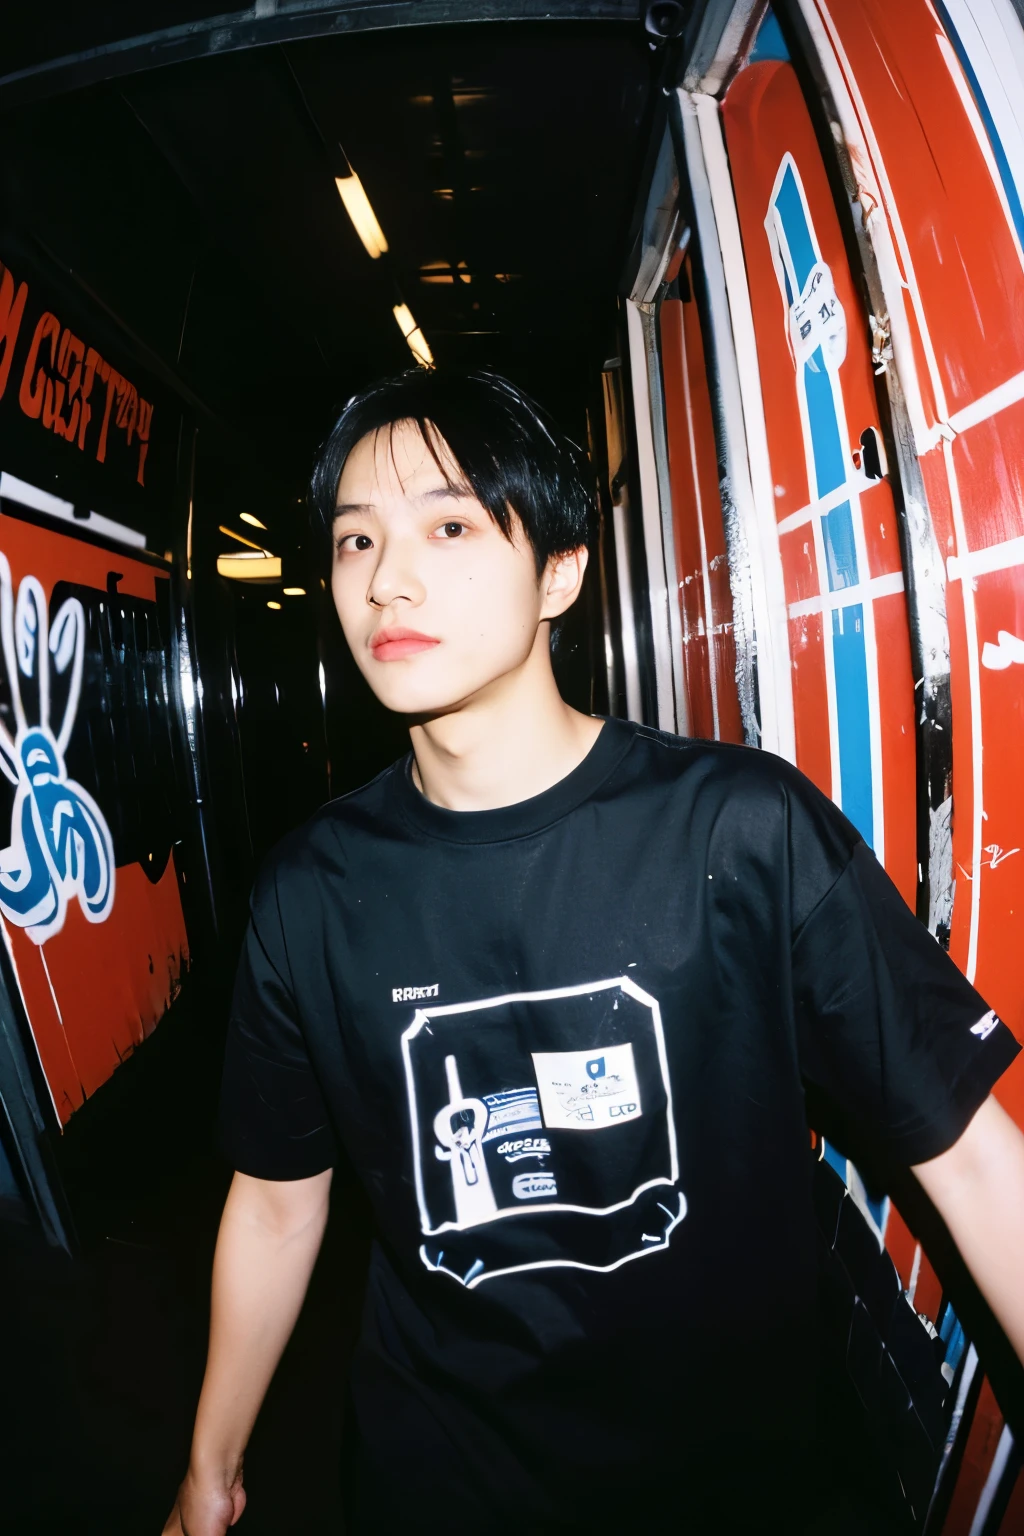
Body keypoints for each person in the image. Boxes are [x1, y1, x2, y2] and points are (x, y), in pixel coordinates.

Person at [163, 367, 1024, 1535]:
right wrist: (209, 1469)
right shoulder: (312, 891)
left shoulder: (740, 828)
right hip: (440, 1477)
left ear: (559, 571)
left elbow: (967, 1155)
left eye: (451, 525)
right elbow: (274, 1203)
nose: (387, 579)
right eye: (354, 542)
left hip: (730, 1478)